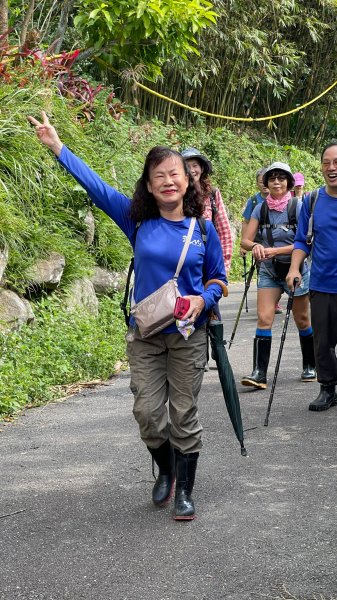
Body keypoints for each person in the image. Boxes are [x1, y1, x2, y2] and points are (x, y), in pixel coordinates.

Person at [28, 111, 227, 521]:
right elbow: (96, 186)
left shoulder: (203, 231)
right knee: (148, 414)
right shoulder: (138, 220)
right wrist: (57, 147)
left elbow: (219, 280)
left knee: (183, 413)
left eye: (175, 174)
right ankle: (168, 470)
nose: (168, 181)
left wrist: (201, 301)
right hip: (146, 334)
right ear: (149, 186)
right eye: (159, 176)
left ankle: (185, 492)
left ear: (188, 180)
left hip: (188, 335)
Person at [240, 161, 316, 389]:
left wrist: (276, 250)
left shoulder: (298, 206)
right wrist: (256, 247)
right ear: (266, 183)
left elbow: (307, 241)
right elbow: (245, 239)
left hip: (297, 270)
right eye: (272, 178)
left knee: (302, 320)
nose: (276, 182)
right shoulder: (259, 208)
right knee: (264, 318)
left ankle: (310, 365)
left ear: (289, 183)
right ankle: (259, 372)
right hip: (269, 271)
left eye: (281, 178)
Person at [287, 142, 337, 411]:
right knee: (323, 342)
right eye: (327, 162)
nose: (331, 168)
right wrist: (294, 268)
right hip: (323, 283)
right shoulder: (313, 200)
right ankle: (328, 388)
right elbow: (301, 241)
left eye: (336, 162)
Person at [181, 148, 233, 277]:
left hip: (208, 262)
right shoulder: (175, 194)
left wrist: (224, 267)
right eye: (187, 166)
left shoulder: (212, 194)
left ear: (202, 169)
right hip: (182, 261)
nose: (192, 170)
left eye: (195, 165)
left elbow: (224, 232)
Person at [241, 168, 283, 315]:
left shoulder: (289, 203)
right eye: (262, 182)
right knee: (263, 270)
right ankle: (268, 301)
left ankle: (275, 299)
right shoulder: (254, 202)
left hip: (280, 244)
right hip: (259, 241)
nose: (265, 185)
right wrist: (245, 244)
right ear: (259, 184)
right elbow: (246, 222)